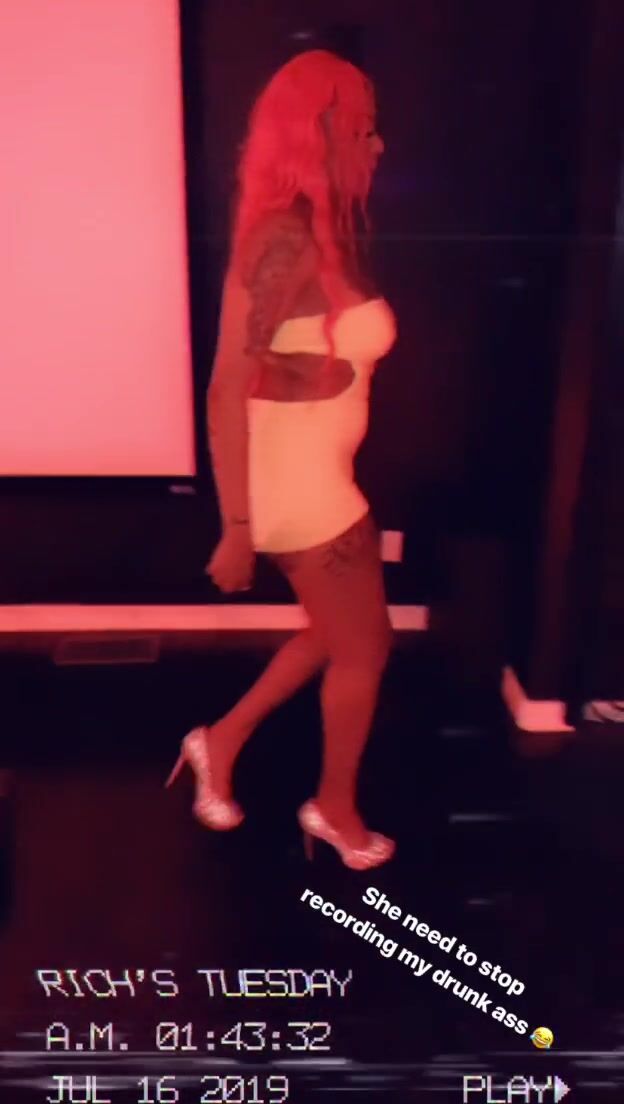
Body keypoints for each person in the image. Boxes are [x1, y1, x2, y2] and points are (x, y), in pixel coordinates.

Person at [167, 49, 397, 870]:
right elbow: (226, 385)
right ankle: (333, 809)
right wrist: (236, 529)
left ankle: (219, 741)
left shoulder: (322, 229)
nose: (378, 146)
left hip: (316, 470)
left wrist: (319, 368)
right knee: (364, 648)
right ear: (320, 134)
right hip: (297, 485)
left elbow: (288, 356)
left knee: (336, 634)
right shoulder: (284, 237)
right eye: (364, 130)